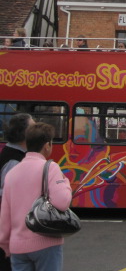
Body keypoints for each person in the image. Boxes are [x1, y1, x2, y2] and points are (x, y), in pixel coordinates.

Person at [0, 122, 72, 271]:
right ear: (47, 145)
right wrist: (65, 182)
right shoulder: (50, 168)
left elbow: (5, 214)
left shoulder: (12, 172)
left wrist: (6, 245)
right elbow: (62, 202)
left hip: (17, 247)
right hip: (46, 242)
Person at [0, 114, 35, 271]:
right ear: (24, 133)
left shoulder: (16, 155)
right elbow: (9, 200)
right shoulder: (14, 161)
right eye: (33, 127)